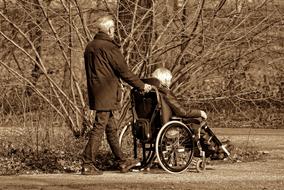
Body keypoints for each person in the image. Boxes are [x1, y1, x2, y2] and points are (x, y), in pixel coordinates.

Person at [82, 15, 152, 175]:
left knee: (111, 128)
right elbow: (124, 71)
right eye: (113, 29)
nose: (114, 31)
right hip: (106, 92)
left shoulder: (90, 46)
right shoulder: (109, 48)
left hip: (96, 91)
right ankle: (87, 163)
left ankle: (122, 161)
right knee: (99, 127)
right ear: (109, 30)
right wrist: (142, 85)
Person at [150, 67, 207, 140]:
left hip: (155, 127)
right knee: (198, 119)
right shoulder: (165, 93)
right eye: (169, 80)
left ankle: (212, 145)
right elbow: (182, 112)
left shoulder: (152, 93)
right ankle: (212, 146)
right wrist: (200, 112)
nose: (170, 82)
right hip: (169, 126)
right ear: (165, 81)